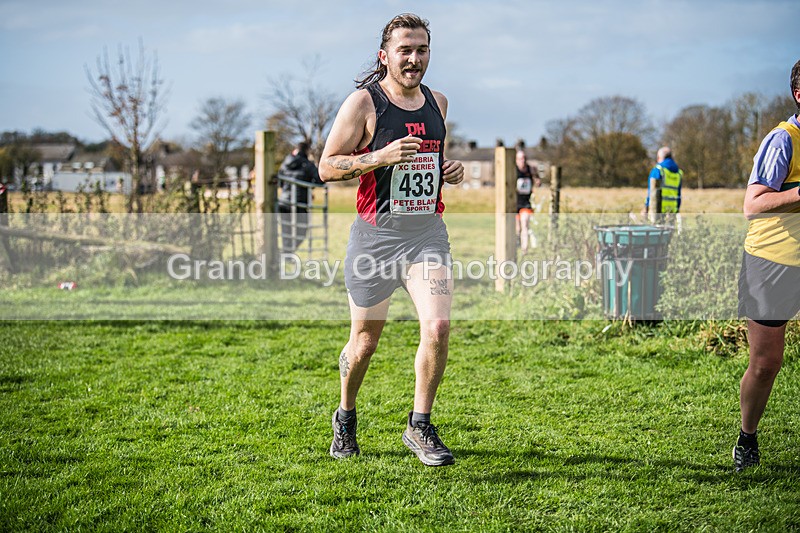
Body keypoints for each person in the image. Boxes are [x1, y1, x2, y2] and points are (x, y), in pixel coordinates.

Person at [319, 13, 464, 466]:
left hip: (425, 235)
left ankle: (419, 425)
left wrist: (448, 170)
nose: (414, 58)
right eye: (405, 50)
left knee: (438, 327)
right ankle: (345, 416)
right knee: (364, 343)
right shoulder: (364, 104)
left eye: (421, 49)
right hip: (375, 239)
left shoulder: (437, 103)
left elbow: (428, 164)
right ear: (385, 56)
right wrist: (377, 156)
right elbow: (326, 167)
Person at [735, 59, 800, 472]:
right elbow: (753, 205)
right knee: (765, 364)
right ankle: (747, 438)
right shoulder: (783, 140)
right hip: (773, 263)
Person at [277, 141, 323, 253]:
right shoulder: (308, 164)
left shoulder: (284, 164)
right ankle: (287, 253)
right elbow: (320, 180)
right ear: (307, 151)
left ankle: (286, 254)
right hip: (300, 202)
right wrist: (309, 186)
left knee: (286, 232)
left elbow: (280, 183)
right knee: (302, 231)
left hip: (284, 202)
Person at [645, 147, 683, 219]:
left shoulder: (658, 170)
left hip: (658, 209)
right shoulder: (679, 173)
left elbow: (651, 191)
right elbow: (678, 194)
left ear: (660, 157)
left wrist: (646, 206)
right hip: (672, 211)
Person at [515, 150, 541, 253]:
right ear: (516, 160)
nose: (523, 160)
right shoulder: (513, 170)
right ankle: (517, 244)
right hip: (515, 202)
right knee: (517, 228)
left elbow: (537, 179)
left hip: (526, 202)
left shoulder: (530, 170)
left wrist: (537, 181)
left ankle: (524, 249)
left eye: (524, 158)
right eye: (520, 158)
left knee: (525, 224)